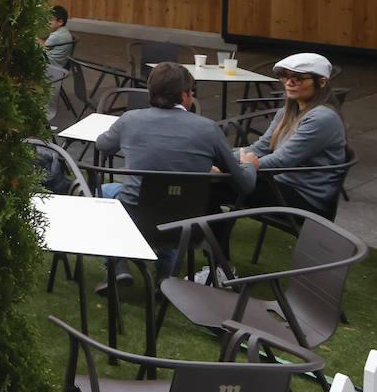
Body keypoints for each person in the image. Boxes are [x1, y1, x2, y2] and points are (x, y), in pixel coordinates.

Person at [95, 62, 256, 276]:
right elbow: (244, 184)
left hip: (137, 217)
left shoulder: (130, 120)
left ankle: (116, 261)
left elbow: (102, 144)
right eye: (191, 92)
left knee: (104, 191)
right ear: (183, 96)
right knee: (171, 203)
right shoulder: (208, 128)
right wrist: (249, 165)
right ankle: (165, 274)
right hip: (188, 224)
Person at [240, 53, 347, 213]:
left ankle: (206, 235)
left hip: (305, 198)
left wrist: (241, 167)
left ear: (322, 82)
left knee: (218, 183)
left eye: (298, 78)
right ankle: (208, 234)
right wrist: (220, 159)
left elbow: (282, 160)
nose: (289, 83)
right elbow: (261, 148)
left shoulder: (322, 117)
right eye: (285, 76)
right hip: (279, 183)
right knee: (212, 177)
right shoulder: (286, 112)